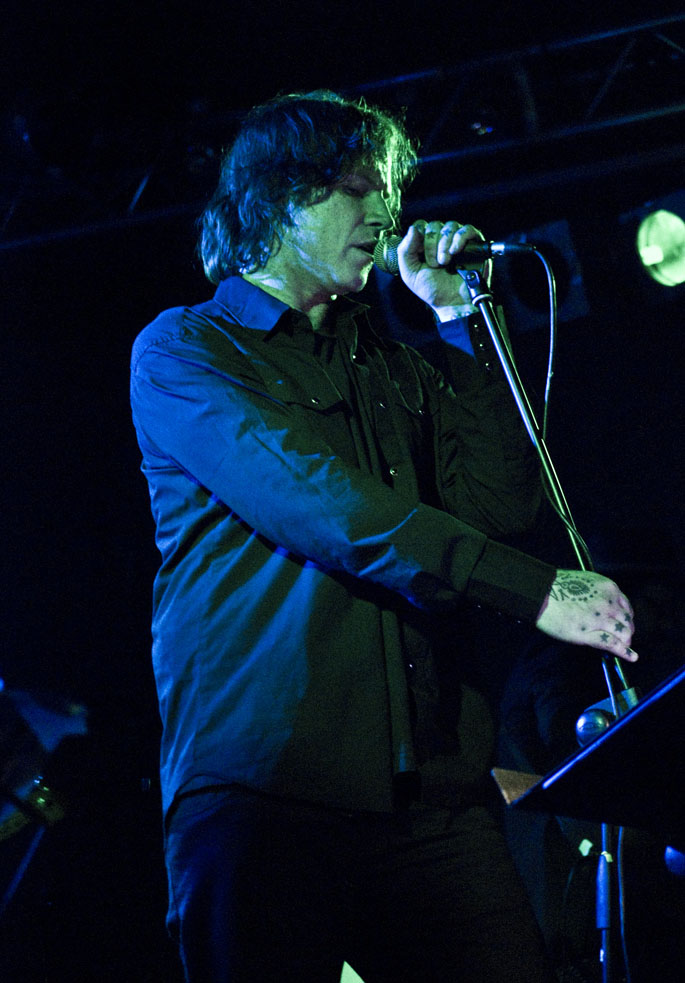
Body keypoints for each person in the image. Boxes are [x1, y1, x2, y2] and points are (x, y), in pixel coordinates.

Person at [130, 89, 637, 983]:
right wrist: (533, 589)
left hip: (433, 797)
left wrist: (461, 317)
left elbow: (500, 501)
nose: (385, 214)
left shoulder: (398, 370)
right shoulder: (186, 350)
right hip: (267, 792)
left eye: (391, 192)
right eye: (359, 189)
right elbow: (318, 503)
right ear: (280, 200)